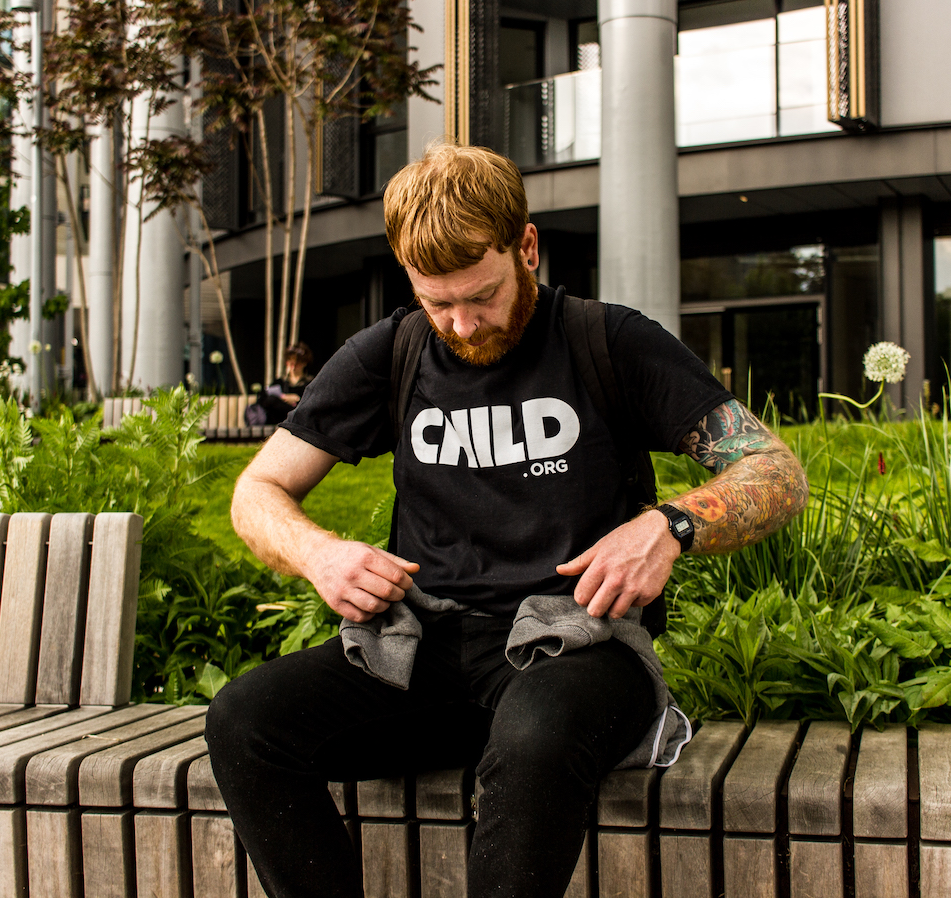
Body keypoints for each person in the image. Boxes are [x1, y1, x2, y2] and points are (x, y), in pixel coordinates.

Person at [208, 143, 809, 898]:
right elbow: (257, 489)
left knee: (533, 739)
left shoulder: (607, 341)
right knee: (244, 722)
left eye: (482, 295)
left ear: (527, 247)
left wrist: (670, 525)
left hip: (576, 650)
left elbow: (776, 471)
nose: (462, 324)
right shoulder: (391, 353)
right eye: (438, 302)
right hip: (425, 652)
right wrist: (318, 553)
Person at [245, 342, 315, 427]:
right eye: (290, 363)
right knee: (271, 400)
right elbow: (264, 400)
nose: (293, 367)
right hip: (277, 420)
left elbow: (313, 404)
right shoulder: (280, 382)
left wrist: (297, 399)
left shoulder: (310, 383)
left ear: (304, 363)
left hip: (298, 419)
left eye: (297, 363)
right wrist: (283, 397)